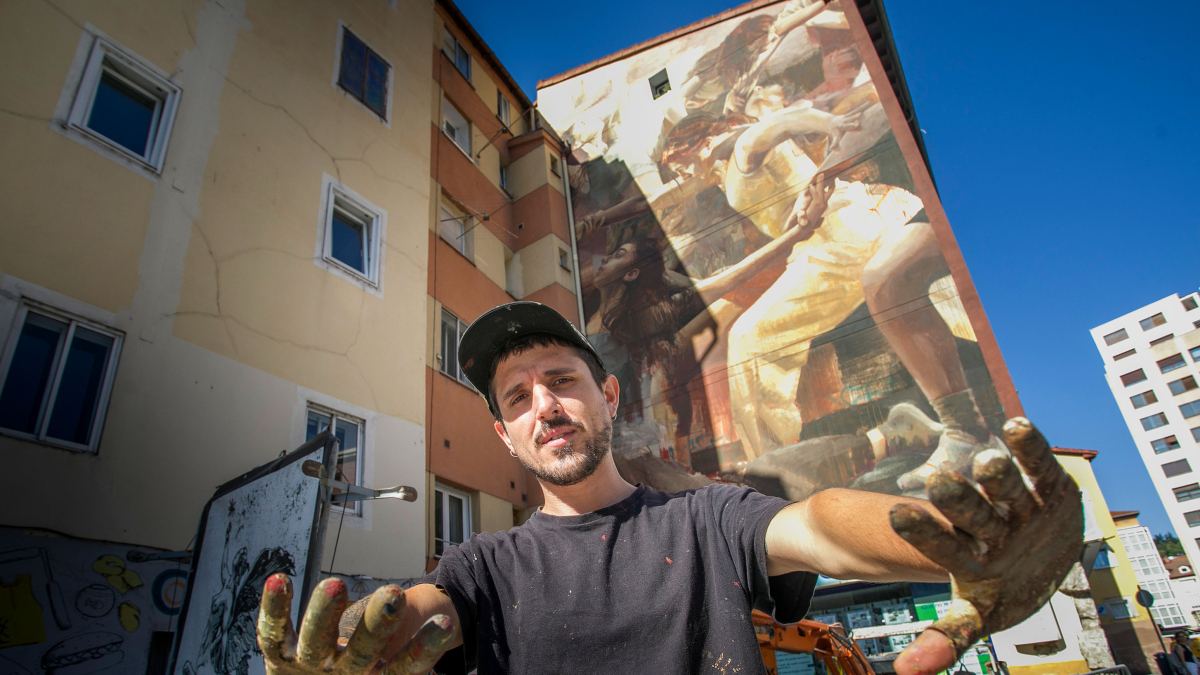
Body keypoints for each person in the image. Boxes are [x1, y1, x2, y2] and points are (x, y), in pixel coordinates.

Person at [257, 301, 1084, 675]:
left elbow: (821, 525)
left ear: (608, 395)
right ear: (505, 434)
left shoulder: (706, 518)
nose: (545, 405)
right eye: (517, 398)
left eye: (561, 380)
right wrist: (353, 649)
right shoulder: (484, 567)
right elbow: (417, 611)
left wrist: (960, 543)